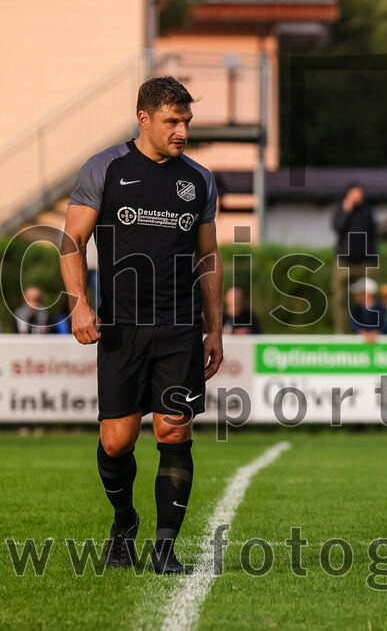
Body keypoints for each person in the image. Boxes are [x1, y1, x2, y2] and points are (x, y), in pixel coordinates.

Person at [59, 76, 223, 575]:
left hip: (178, 329)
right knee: (117, 440)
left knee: (174, 430)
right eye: (173, 121)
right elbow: (71, 241)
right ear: (144, 118)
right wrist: (79, 304)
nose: (182, 131)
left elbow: (210, 257)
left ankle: (165, 549)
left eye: (187, 122)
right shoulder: (105, 168)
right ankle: (124, 522)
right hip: (122, 329)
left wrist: (214, 329)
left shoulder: (198, 180)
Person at [331, 183, 378, 334]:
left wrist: (373, 258)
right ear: (348, 194)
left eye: (360, 193)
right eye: (355, 193)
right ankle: (341, 332)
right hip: (344, 261)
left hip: (364, 261)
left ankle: (367, 329)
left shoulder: (367, 212)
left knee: (367, 298)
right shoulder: (340, 210)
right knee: (340, 298)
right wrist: (346, 210)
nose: (359, 196)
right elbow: (337, 227)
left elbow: (372, 235)